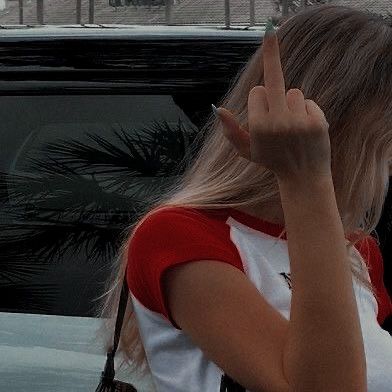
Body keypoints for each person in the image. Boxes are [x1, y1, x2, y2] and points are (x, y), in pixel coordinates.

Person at [95, 4, 392, 391]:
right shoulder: (180, 236)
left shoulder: (356, 251)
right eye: (386, 138)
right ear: (341, 130)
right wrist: (304, 177)